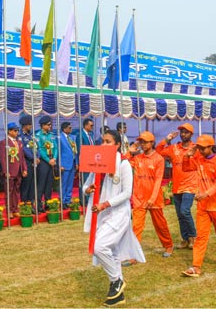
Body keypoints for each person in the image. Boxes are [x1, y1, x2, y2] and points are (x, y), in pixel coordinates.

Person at [83, 130, 145, 307]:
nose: (104, 145)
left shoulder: (124, 164)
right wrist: (87, 190)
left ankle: (116, 280)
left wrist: (106, 204)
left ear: (117, 144)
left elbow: (127, 193)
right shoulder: (98, 161)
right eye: (102, 141)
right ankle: (118, 295)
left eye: (108, 142)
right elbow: (86, 185)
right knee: (113, 252)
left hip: (118, 213)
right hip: (100, 213)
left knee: (99, 247)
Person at [180, 134, 216, 276]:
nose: (201, 151)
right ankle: (196, 266)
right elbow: (185, 168)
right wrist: (187, 155)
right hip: (203, 206)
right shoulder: (198, 159)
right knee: (201, 236)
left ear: (211, 147)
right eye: (199, 148)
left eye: (203, 148)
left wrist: (206, 194)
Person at [126, 131, 174, 258]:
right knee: (136, 226)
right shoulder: (137, 158)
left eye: (145, 142)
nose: (142, 144)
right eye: (141, 142)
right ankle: (133, 254)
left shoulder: (158, 159)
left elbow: (159, 180)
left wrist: (152, 199)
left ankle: (168, 245)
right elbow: (123, 163)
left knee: (160, 224)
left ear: (152, 143)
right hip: (139, 198)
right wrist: (130, 151)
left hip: (154, 198)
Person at [157, 123, 198, 249]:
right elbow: (158, 151)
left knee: (185, 211)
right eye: (182, 132)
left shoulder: (196, 148)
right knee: (180, 215)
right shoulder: (174, 148)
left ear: (191, 134)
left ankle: (193, 237)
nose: (183, 134)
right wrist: (167, 139)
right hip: (177, 185)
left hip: (190, 185)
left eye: (186, 132)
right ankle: (185, 239)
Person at [0, 122, 27, 218]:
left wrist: (24, 168)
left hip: (18, 170)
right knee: (9, 191)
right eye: (15, 130)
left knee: (16, 190)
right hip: (10, 171)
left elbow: (22, 157)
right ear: (9, 131)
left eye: (17, 130)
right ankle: (9, 210)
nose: (17, 132)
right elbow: (2, 158)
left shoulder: (19, 143)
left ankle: (15, 209)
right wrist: (5, 171)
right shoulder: (4, 143)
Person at [35, 116, 57, 213]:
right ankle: (39, 206)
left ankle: (48, 204)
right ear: (43, 125)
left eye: (50, 124)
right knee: (41, 184)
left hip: (52, 160)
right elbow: (39, 149)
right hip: (44, 162)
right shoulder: (38, 135)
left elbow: (55, 147)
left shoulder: (51, 135)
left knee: (49, 184)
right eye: (48, 125)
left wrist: (54, 158)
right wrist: (48, 160)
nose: (50, 126)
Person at [59, 122, 78, 207]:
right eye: (69, 128)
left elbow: (75, 151)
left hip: (72, 164)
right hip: (64, 164)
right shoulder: (59, 138)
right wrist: (60, 165)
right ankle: (62, 201)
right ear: (64, 129)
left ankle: (68, 199)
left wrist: (77, 163)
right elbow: (59, 152)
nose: (71, 129)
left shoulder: (72, 137)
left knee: (70, 183)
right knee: (64, 183)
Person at [19, 115, 37, 205]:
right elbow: (23, 149)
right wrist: (33, 158)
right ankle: (24, 204)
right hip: (26, 162)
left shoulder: (32, 135)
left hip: (34, 162)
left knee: (32, 184)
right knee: (26, 184)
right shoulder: (20, 136)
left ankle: (31, 202)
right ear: (24, 125)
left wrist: (37, 157)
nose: (31, 126)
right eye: (29, 124)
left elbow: (37, 147)